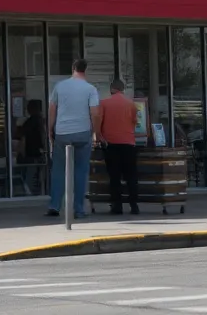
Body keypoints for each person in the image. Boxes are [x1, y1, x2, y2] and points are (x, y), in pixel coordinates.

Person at [46, 59, 100, 218]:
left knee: (58, 170)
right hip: (82, 132)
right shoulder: (90, 89)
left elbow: (52, 110)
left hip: (62, 132)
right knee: (81, 171)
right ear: (85, 70)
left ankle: (54, 205)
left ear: (72, 69)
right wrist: (95, 131)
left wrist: (50, 129)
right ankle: (79, 209)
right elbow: (95, 113)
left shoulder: (59, 86)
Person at [97, 79, 140, 214]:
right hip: (128, 143)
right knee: (131, 176)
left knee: (114, 176)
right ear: (123, 89)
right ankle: (134, 205)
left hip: (111, 144)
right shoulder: (131, 104)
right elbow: (135, 122)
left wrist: (100, 137)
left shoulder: (104, 103)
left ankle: (117, 206)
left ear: (111, 89)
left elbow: (99, 122)